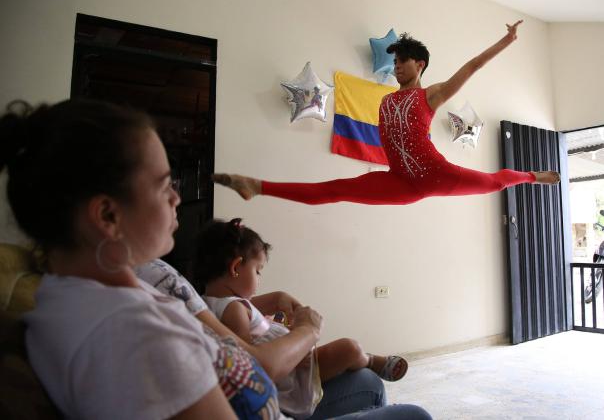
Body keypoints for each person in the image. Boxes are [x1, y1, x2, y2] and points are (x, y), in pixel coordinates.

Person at [0, 98, 432, 420]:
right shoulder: (136, 335)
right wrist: (306, 329)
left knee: (367, 383)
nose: (176, 198)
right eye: (163, 185)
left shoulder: (76, 292)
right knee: (413, 415)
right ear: (108, 216)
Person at [213, 21, 560, 205]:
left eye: (402, 61)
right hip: (398, 181)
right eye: (394, 62)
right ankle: (257, 186)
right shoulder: (385, 101)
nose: (396, 67)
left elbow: (471, 67)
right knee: (334, 190)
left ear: (419, 64)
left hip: (437, 174)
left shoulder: (431, 94)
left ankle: (532, 176)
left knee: (495, 182)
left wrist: (505, 42)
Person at [196, 218, 408, 417]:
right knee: (349, 348)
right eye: (258, 271)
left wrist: (279, 309)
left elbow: (267, 304)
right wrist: (298, 339)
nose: (259, 279)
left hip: (293, 368)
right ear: (235, 268)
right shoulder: (234, 309)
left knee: (353, 367)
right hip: (294, 376)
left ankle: (372, 404)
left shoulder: (207, 304)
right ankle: (370, 360)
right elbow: (250, 366)